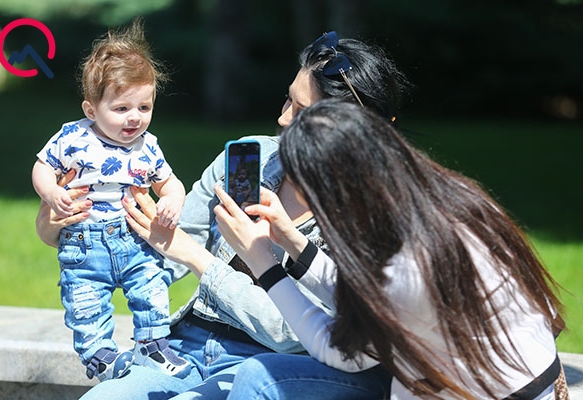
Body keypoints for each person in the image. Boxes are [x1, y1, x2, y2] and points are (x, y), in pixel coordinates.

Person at [36, 31, 410, 399]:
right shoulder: (252, 159)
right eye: (287, 100)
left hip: (268, 364)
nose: (283, 119)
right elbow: (162, 250)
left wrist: (198, 259)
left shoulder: (366, 220)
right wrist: (70, 229)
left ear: (349, 128)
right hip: (186, 344)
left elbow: (290, 334)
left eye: (301, 112)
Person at [212, 98, 567, 399]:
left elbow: (338, 350)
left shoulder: (407, 268)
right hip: (529, 379)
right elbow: (370, 301)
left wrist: (262, 262)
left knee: (259, 376)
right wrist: (292, 240)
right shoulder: (448, 200)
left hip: (494, 393)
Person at [31, 20, 190, 382]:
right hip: (84, 243)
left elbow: (169, 182)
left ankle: (153, 345)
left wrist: (172, 198)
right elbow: (42, 167)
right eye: (121, 109)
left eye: (144, 107)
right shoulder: (73, 138)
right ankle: (100, 355)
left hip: (134, 239)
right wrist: (51, 192)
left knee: (152, 289)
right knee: (84, 301)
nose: (135, 117)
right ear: (91, 110)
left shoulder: (148, 146)